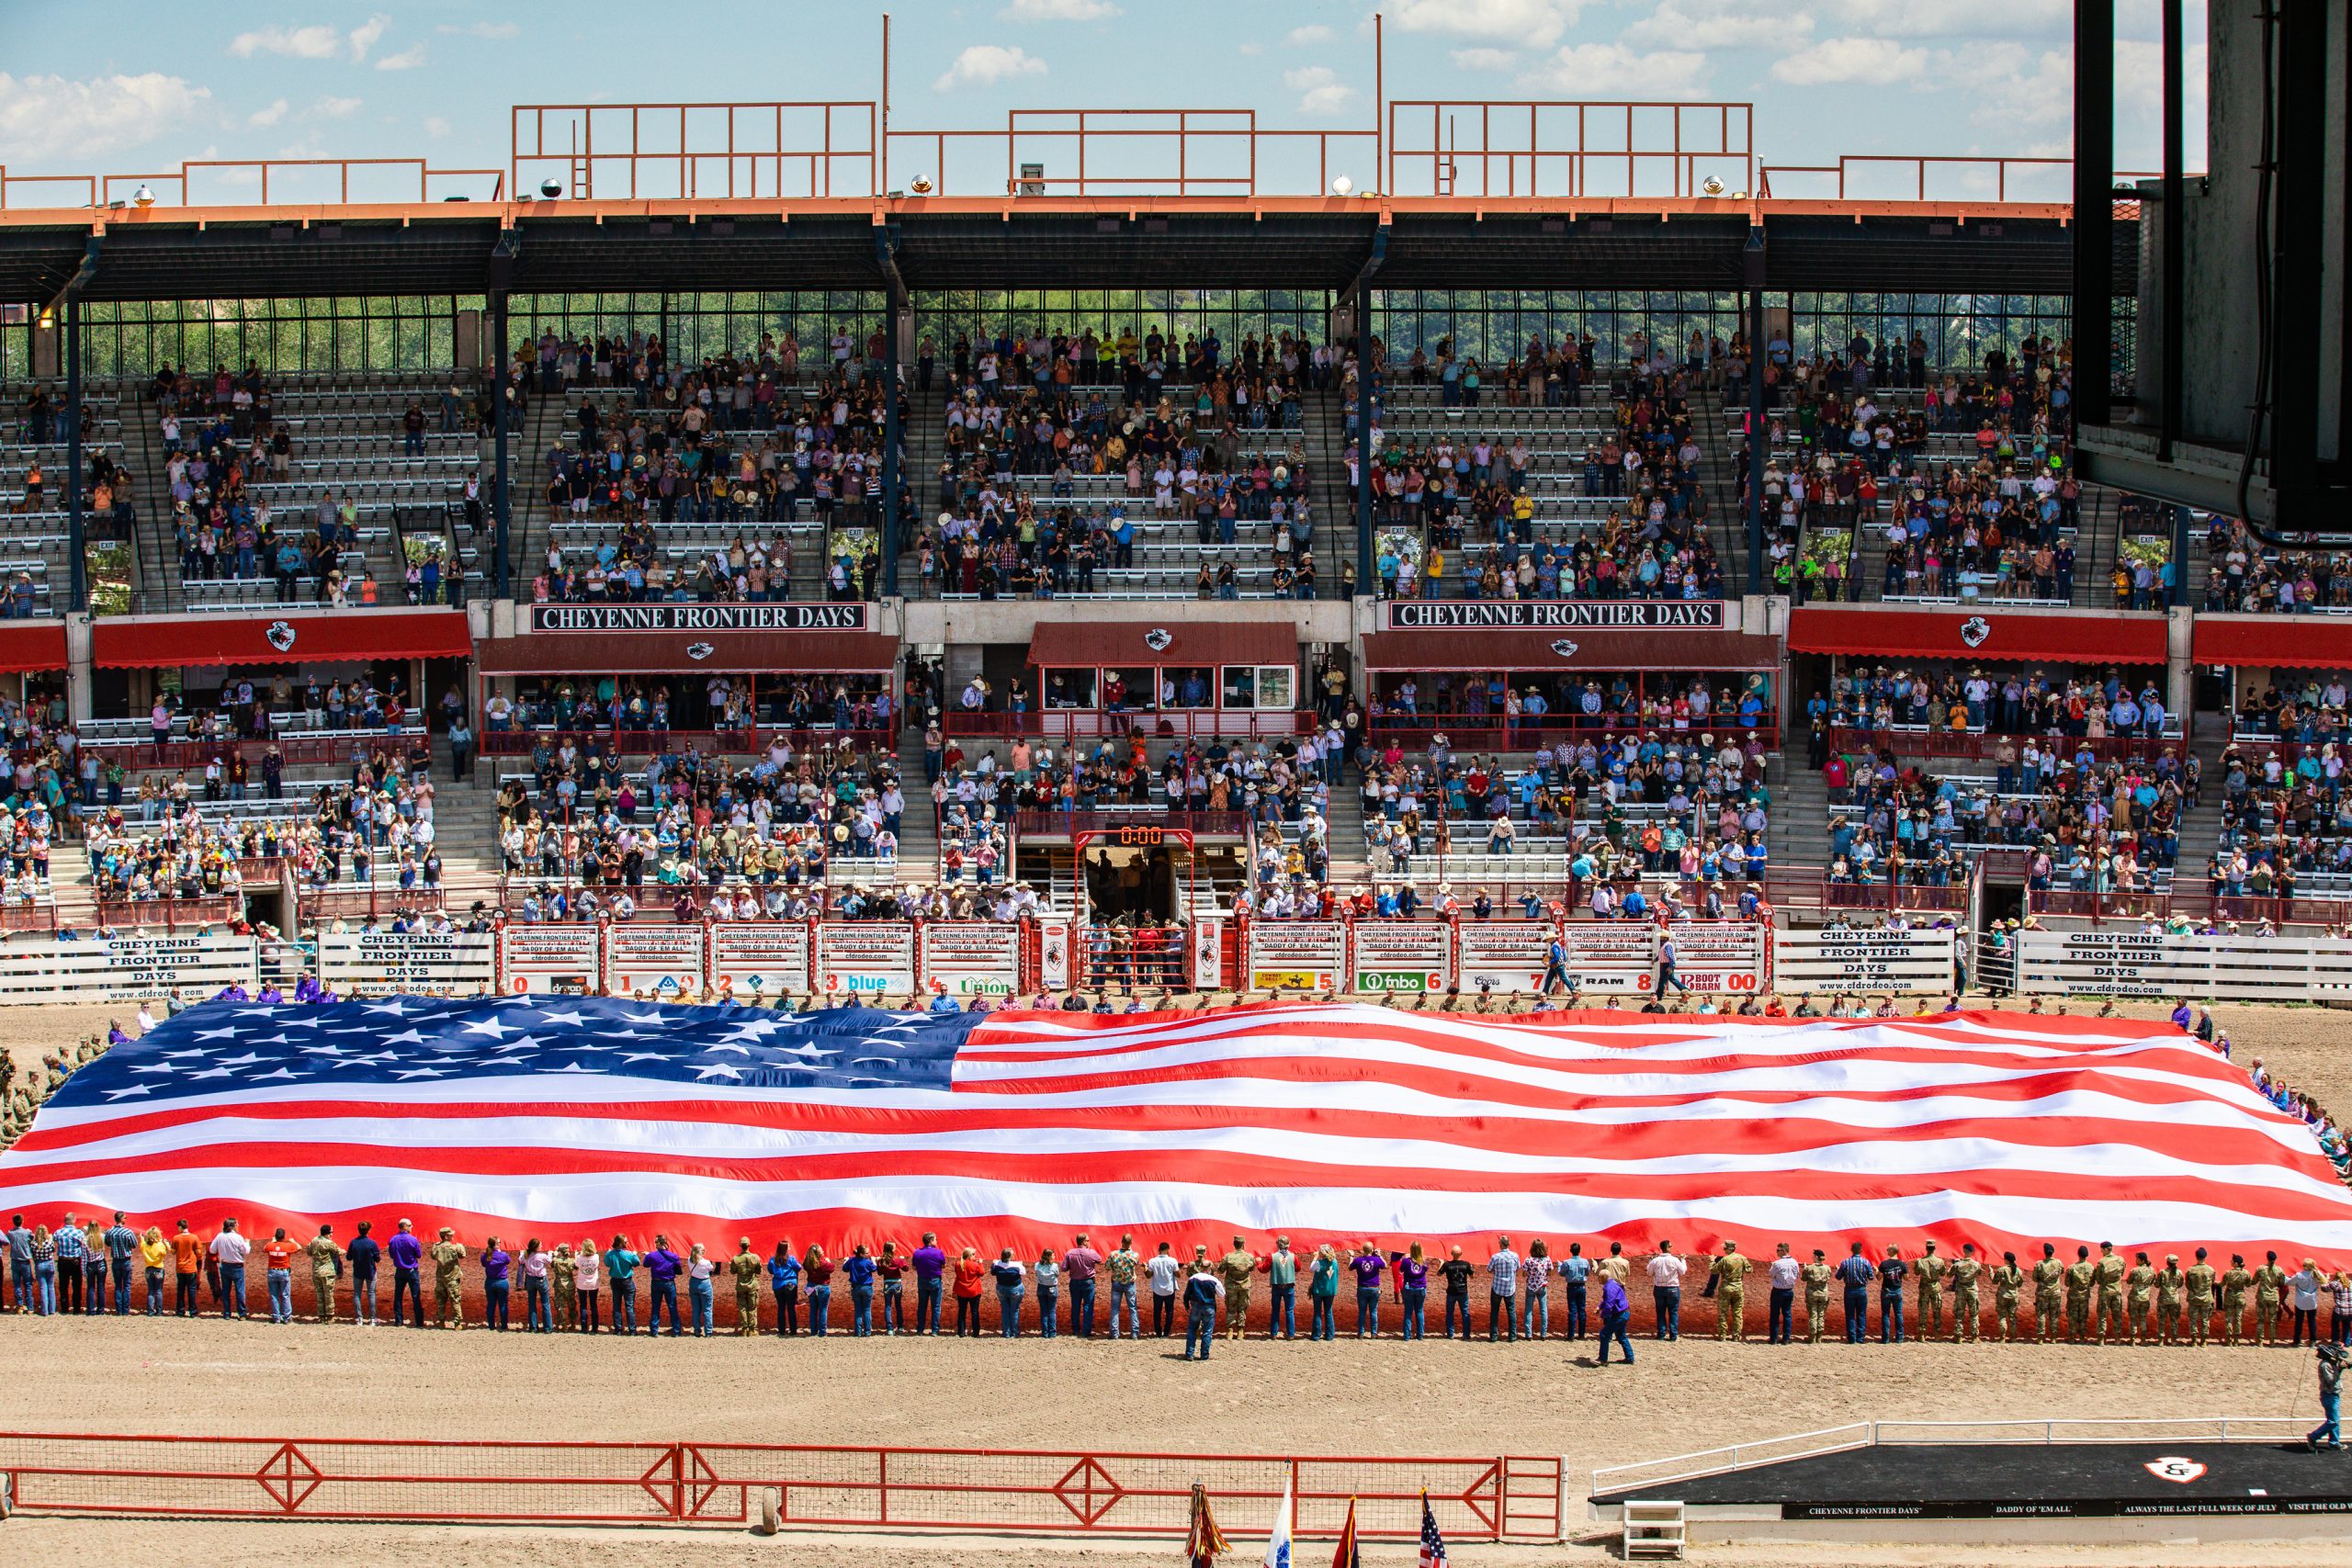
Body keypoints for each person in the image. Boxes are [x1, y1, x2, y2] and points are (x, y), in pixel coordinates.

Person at [1182, 1253, 1224, 1360]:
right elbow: (1222, 1294)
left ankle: (1189, 1354)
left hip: (1196, 1306)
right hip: (1209, 1307)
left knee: (1192, 1329)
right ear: (1210, 1268)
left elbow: (1187, 1294)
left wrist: (1186, 1304)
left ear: (1200, 1267)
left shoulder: (1193, 1278)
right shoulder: (1214, 1280)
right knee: (1207, 1332)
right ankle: (1204, 1355)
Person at [209, 1217, 251, 1320]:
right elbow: (246, 1251)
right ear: (233, 1226)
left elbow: (212, 1250)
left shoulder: (220, 1236)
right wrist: (247, 1243)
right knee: (240, 1291)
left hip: (225, 1265)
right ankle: (242, 1314)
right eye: (237, 1224)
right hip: (237, 1266)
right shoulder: (238, 1237)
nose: (238, 1226)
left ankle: (227, 1313)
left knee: (226, 1290)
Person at [1216, 1235, 1257, 1340]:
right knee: (1242, 1308)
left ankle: (1229, 1331)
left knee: (1230, 1308)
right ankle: (1240, 1331)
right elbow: (1252, 1268)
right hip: (1244, 1286)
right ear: (1243, 1244)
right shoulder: (1249, 1257)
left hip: (1231, 1287)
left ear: (1234, 1244)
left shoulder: (1228, 1257)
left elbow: (1220, 1270)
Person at [643, 1234, 684, 1337]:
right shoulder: (673, 1256)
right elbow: (678, 1268)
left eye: (656, 1242)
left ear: (660, 1243)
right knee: (672, 1306)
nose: (655, 1244)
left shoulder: (651, 1255)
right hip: (669, 1283)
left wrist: (647, 1255)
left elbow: (645, 1264)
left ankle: (654, 1330)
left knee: (656, 1306)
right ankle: (676, 1330)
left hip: (656, 1282)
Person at [1064, 1233, 1102, 1338]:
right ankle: (1086, 1330)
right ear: (1084, 1242)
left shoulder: (1070, 1253)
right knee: (1088, 1306)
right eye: (1088, 1241)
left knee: (1075, 1306)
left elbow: (1063, 1268)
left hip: (1074, 1282)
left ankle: (1076, 1329)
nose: (1089, 1242)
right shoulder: (1091, 1253)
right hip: (1088, 1282)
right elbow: (1099, 1260)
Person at [389, 1218, 425, 1328]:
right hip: (411, 1271)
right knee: (415, 1296)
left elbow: (391, 1255)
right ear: (404, 1227)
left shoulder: (393, 1239)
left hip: (399, 1271)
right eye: (410, 1225)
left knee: (398, 1296)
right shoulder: (413, 1240)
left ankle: (399, 1321)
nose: (411, 1227)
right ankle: (419, 1322)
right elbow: (418, 1254)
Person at [1836, 1242, 1874, 1344]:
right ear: (1861, 1250)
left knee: (1850, 1315)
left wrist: (1838, 1270)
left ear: (1851, 1250)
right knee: (1861, 1314)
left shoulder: (1845, 1262)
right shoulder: (1866, 1262)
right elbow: (1871, 1277)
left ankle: (1852, 1338)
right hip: (1861, 1290)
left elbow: (1838, 1277)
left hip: (1849, 1290)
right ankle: (1860, 1338)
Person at [429, 1227, 467, 1330]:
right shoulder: (455, 1248)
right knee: (455, 1300)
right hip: (453, 1278)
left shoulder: (436, 1247)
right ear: (446, 1236)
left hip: (440, 1278)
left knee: (441, 1301)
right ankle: (457, 1324)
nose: (452, 1236)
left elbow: (433, 1255)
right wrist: (460, 1246)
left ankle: (441, 1322)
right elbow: (463, 1255)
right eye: (450, 1235)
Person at [1710, 1241, 1747, 1343]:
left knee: (1723, 1312)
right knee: (1737, 1313)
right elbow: (1749, 1270)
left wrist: (1712, 1261)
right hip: (1738, 1288)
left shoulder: (1724, 1260)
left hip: (1725, 1289)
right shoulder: (1742, 1258)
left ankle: (1722, 1335)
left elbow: (1713, 1270)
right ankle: (1736, 1336)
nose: (1724, 1250)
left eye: (1725, 1248)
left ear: (1729, 1249)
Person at [2312, 1343, 2347, 1451]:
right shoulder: (2325, 1365)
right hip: (2329, 1395)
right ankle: (2313, 1437)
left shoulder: (2331, 1363)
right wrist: (2340, 1369)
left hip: (2334, 1394)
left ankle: (2334, 1442)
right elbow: (2331, 1381)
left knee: (2335, 1419)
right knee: (2333, 1421)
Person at [305, 1224, 342, 1325]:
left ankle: (321, 1316)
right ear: (328, 1233)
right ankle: (330, 1317)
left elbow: (308, 1252)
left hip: (316, 1272)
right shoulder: (329, 1243)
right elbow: (338, 1251)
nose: (332, 1234)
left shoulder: (314, 1240)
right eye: (331, 1232)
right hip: (327, 1273)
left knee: (319, 1294)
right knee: (329, 1294)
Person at [1106, 1234, 1142, 1339]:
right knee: (1133, 1308)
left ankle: (1114, 1333)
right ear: (1131, 1243)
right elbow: (1136, 1263)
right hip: (1130, 1283)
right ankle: (1135, 1333)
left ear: (1121, 1241)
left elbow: (1107, 1267)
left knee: (1115, 1309)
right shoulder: (1135, 1255)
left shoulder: (1113, 1254)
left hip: (1117, 1283)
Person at [1649, 1240, 1686, 1340]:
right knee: (1673, 1312)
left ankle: (1661, 1334)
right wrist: (1683, 1260)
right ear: (1668, 1247)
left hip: (1659, 1288)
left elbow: (1649, 1272)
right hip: (1673, 1289)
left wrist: (1651, 1260)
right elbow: (1682, 1271)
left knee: (1660, 1312)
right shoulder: (1674, 1260)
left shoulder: (1655, 1261)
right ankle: (1673, 1335)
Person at [1596, 1270, 1634, 1366]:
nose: (1598, 1279)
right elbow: (1607, 1300)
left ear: (1604, 1277)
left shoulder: (1609, 1288)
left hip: (1619, 1315)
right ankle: (1630, 1357)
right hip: (1624, 1313)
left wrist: (1602, 1316)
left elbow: (1609, 1304)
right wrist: (1599, 1307)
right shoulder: (1612, 1283)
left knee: (1604, 1334)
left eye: (1599, 1277)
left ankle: (1603, 1359)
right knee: (1621, 1336)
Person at [605, 1235, 641, 1334]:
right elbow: (637, 1263)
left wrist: (608, 1254)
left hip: (615, 1281)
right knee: (629, 1306)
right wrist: (634, 1254)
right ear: (621, 1243)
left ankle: (618, 1329)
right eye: (626, 1242)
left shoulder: (610, 1254)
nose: (627, 1243)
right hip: (627, 1282)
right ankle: (632, 1330)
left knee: (616, 1305)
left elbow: (607, 1264)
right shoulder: (629, 1255)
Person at [911, 1232, 946, 1335]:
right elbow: (943, 1265)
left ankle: (920, 1329)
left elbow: (914, 1267)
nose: (937, 1241)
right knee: (935, 1306)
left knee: (922, 1305)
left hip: (922, 1280)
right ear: (931, 1241)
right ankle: (935, 1330)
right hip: (935, 1280)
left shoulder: (917, 1252)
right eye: (936, 1239)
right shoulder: (939, 1252)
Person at [1487, 1235, 1521, 1342]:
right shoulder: (1515, 1256)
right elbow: (1518, 1267)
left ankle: (1493, 1335)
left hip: (1497, 1287)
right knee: (1511, 1311)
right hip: (1510, 1287)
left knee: (1494, 1312)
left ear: (1501, 1244)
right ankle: (1512, 1335)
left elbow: (1489, 1269)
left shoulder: (1495, 1257)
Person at [1146, 1241, 1183, 1337]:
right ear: (1167, 1250)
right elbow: (1178, 1275)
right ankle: (1166, 1332)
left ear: (1159, 1249)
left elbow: (1148, 1275)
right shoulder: (1173, 1261)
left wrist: (1145, 1268)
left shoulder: (1152, 1261)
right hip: (1169, 1290)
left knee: (1157, 1311)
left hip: (1157, 1290)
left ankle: (1158, 1332)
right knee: (1169, 1311)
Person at [348, 1221, 381, 1327]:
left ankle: (359, 1318)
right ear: (369, 1230)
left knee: (357, 1294)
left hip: (357, 1271)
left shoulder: (354, 1242)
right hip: (370, 1271)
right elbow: (377, 1258)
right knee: (371, 1294)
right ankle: (372, 1319)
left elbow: (349, 1257)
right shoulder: (372, 1243)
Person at [263, 1226, 299, 1324]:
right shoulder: (288, 1246)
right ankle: (286, 1317)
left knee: (274, 1295)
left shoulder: (270, 1245)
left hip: (272, 1272)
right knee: (285, 1295)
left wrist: (273, 1241)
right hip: (284, 1272)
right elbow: (298, 1247)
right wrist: (292, 1241)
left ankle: (276, 1317)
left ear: (275, 1236)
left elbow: (265, 1248)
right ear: (284, 1236)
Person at [1765, 1243, 1799, 1346]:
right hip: (1789, 1290)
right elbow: (1797, 1275)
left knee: (1775, 1315)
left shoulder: (1777, 1264)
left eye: (1778, 1250)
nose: (1777, 1252)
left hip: (1778, 1291)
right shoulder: (1795, 1262)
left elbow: (1771, 1274)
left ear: (1783, 1251)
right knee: (1787, 1314)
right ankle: (1786, 1338)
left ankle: (1774, 1338)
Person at [1265, 1235, 1298, 1340]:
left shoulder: (1272, 1257)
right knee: (1289, 1311)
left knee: (1275, 1310)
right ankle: (1291, 1334)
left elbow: (1263, 1269)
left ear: (1278, 1244)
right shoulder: (1293, 1257)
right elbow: (1298, 1268)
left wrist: (1257, 1262)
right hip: (1289, 1287)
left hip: (1276, 1286)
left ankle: (1274, 1333)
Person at [1441, 1245, 1477, 1338]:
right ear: (1461, 1253)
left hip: (1451, 1292)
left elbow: (1438, 1274)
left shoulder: (1447, 1265)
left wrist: (1441, 1263)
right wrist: (1472, 1269)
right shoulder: (1466, 1264)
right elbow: (1473, 1277)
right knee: (1465, 1313)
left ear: (1451, 1254)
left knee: (1449, 1313)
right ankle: (1466, 1334)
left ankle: (1450, 1334)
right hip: (1463, 1292)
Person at [729, 1239, 763, 1336]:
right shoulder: (755, 1258)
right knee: (752, 1307)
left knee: (742, 1307)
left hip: (740, 1286)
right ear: (749, 1245)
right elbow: (759, 1271)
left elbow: (732, 1271)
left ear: (740, 1245)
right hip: (752, 1286)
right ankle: (752, 1330)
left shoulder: (736, 1259)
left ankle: (744, 1329)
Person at [1351, 1243, 1385, 1337]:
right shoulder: (1377, 1260)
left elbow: (1350, 1267)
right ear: (1372, 1250)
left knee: (1362, 1311)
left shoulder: (1358, 1260)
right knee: (1373, 1311)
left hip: (1362, 1288)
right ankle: (1374, 1333)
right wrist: (1379, 1255)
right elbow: (1385, 1265)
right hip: (1374, 1288)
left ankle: (1361, 1333)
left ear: (1363, 1250)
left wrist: (1351, 1256)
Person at [990, 1247, 1025, 1337]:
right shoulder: (1017, 1265)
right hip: (1015, 1289)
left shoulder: (997, 1264)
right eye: (1012, 1254)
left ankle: (1006, 1333)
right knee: (1014, 1311)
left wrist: (993, 1263)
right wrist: (1020, 1264)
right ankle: (1014, 1333)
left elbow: (993, 1272)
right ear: (1009, 1256)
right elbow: (1023, 1273)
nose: (1014, 1255)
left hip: (1002, 1289)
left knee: (1005, 1310)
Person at [845, 1244, 879, 1337]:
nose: (869, 1254)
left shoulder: (852, 1261)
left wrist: (847, 1260)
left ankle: (858, 1332)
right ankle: (867, 1332)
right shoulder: (867, 1262)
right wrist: (874, 1261)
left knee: (858, 1310)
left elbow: (844, 1269)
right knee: (867, 1310)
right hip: (867, 1287)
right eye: (867, 1252)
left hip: (856, 1287)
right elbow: (875, 1269)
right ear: (861, 1254)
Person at [767, 1240, 799, 1336]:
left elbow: (770, 1270)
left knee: (781, 1307)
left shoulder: (773, 1260)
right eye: (788, 1247)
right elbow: (798, 1268)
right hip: (790, 1285)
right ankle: (793, 1330)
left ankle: (781, 1330)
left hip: (778, 1285)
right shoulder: (791, 1259)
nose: (789, 1248)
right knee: (791, 1308)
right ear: (785, 1248)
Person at [1560, 1242, 1591, 1341]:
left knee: (1572, 1311)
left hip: (1572, 1287)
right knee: (1582, 1310)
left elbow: (1561, 1273)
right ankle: (1581, 1334)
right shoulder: (1585, 1262)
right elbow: (1587, 1272)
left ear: (1571, 1251)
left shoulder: (1567, 1262)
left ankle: (1571, 1335)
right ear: (1579, 1250)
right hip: (1582, 1287)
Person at [953, 1246, 986, 1337]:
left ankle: (961, 1332)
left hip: (962, 1291)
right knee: (974, 1311)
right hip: (974, 1291)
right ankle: (976, 1333)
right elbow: (982, 1273)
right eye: (974, 1255)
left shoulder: (958, 1264)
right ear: (969, 1255)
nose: (975, 1256)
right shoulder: (975, 1265)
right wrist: (981, 1263)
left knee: (962, 1311)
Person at [1878, 1245, 1909, 1343]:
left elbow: (1879, 1277)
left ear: (1892, 1251)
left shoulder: (1884, 1264)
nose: (1887, 1250)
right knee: (1898, 1314)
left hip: (1886, 1291)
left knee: (1886, 1314)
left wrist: (1876, 1271)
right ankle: (1899, 1337)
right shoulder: (1902, 1264)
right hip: (1897, 1291)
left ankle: (1885, 1338)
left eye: (1888, 1249)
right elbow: (1906, 1277)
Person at [481, 1236, 513, 1331]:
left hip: (490, 1282)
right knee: (503, 1304)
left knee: (491, 1304)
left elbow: (484, 1264)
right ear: (496, 1244)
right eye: (499, 1242)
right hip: (502, 1282)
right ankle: (504, 1325)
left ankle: (491, 1326)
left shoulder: (485, 1256)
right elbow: (508, 1261)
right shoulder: (503, 1255)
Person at [684, 1244, 717, 1337]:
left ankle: (697, 1330)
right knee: (707, 1309)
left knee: (696, 1309)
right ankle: (708, 1332)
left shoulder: (689, 1260)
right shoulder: (706, 1262)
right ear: (701, 1251)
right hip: (704, 1284)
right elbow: (711, 1268)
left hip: (693, 1283)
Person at [803, 1244, 835, 1335]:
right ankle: (822, 1332)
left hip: (810, 1287)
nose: (823, 1251)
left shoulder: (807, 1263)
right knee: (823, 1310)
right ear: (819, 1253)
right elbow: (832, 1267)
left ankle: (813, 1331)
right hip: (822, 1287)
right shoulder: (824, 1264)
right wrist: (828, 1261)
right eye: (821, 1250)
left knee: (813, 1309)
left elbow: (805, 1264)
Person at [139, 1225, 169, 1317]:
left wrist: (141, 1238)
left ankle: (150, 1311)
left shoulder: (145, 1245)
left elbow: (142, 1244)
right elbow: (164, 1254)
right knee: (159, 1290)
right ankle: (159, 1311)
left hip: (149, 1269)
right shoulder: (160, 1245)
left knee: (151, 1291)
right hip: (158, 1268)